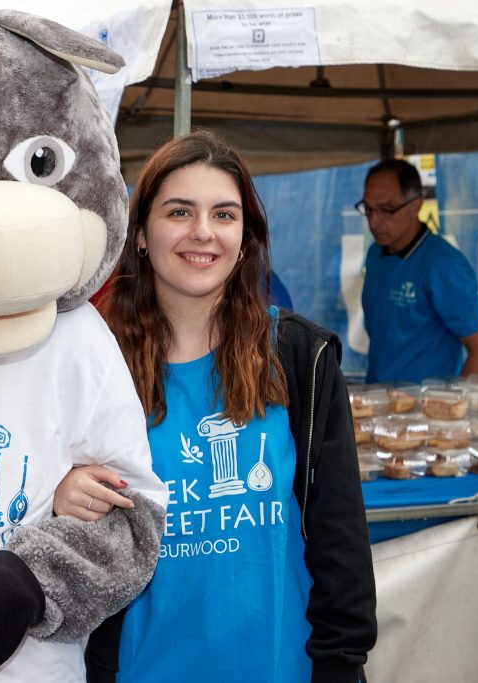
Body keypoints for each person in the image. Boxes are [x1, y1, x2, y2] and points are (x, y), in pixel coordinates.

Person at [56, 130, 377, 682]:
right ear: (139, 234)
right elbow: (30, 515)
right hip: (141, 668)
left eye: (224, 215)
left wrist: (341, 665)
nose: (202, 232)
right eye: (179, 211)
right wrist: (58, 496)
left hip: (283, 669)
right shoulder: (90, 363)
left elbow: (340, 543)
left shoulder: (299, 357)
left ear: (245, 237)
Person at [358, 158, 478, 383]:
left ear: (416, 206)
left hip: (426, 409)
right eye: (368, 209)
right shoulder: (375, 254)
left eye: (386, 210)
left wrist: (454, 406)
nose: (373, 222)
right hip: (380, 401)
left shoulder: (443, 264)